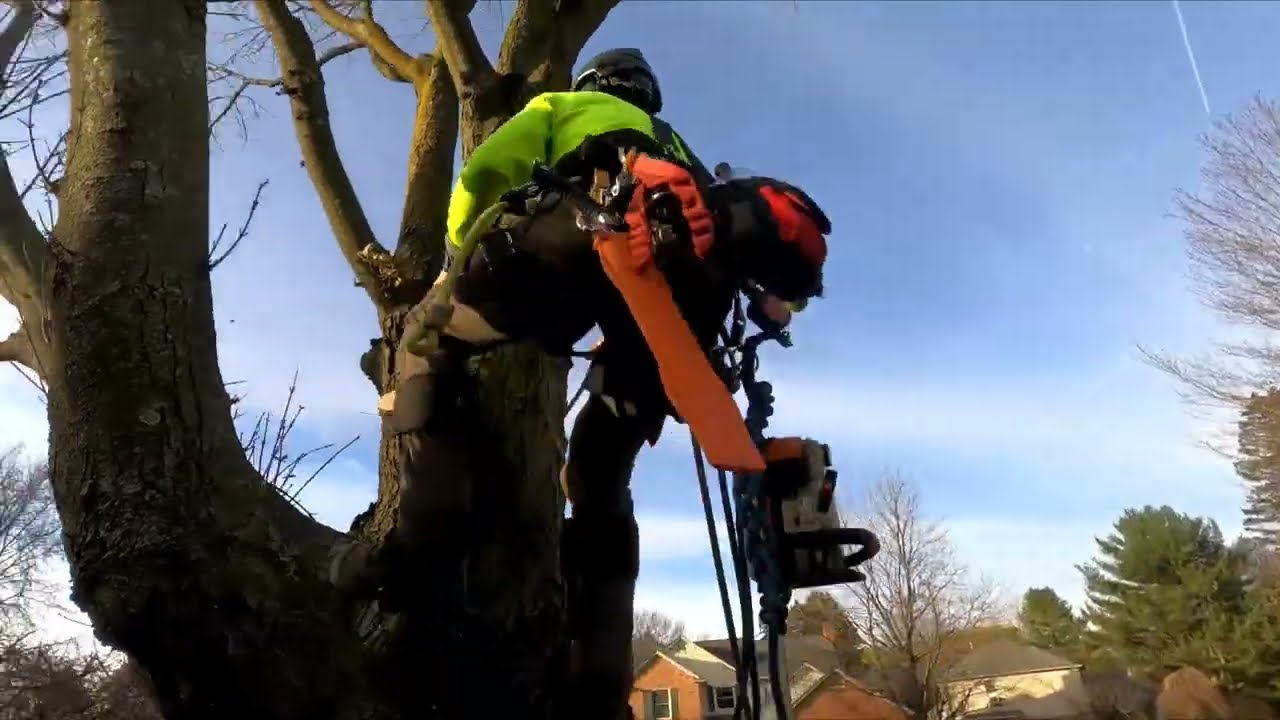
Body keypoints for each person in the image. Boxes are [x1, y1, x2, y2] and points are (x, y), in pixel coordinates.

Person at [334, 47, 832, 720]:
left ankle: (414, 549)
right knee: (599, 477)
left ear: (598, 83)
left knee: (430, 338)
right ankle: (598, 685)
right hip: (682, 301)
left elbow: (485, 172)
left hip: (573, 246)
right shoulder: (677, 147)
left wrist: (461, 252)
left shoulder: (562, 107)